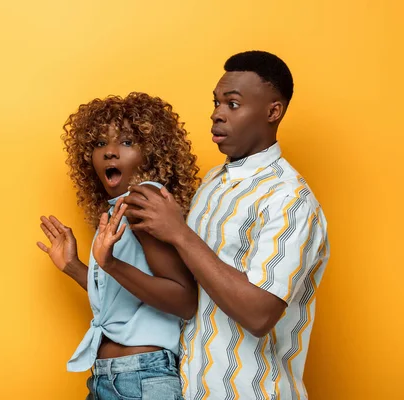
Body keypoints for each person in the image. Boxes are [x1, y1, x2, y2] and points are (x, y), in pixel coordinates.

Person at [124, 51, 330, 400]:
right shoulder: (213, 182)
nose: (217, 113)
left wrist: (179, 233)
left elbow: (259, 313)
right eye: (217, 102)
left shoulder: (291, 199)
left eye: (233, 104)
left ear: (273, 111)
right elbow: (190, 292)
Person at [37, 92, 201, 399]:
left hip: (141, 377)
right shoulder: (119, 210)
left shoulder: (144, 200)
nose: (110, 152)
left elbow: (184, 299)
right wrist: (74, 267)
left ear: (151, 154)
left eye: (126, 142)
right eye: (100, 144)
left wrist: (110, 264)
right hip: (112, 378)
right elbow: (123, 299)